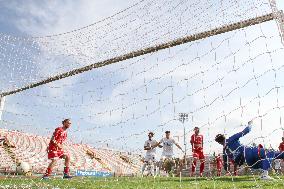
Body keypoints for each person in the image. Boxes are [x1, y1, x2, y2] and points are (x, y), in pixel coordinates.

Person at [215, 120, 284, 180]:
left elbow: (226, 165)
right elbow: (247, 130)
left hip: (249, 163)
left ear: (218, 142)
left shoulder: (224, 151)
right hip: (249, 152)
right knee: (269, 153)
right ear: (224, 136)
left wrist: (228, 169)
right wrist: (250, 124)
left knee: (273, 156)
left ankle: (263, 173)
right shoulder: (231, 139)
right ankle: (265, 175)